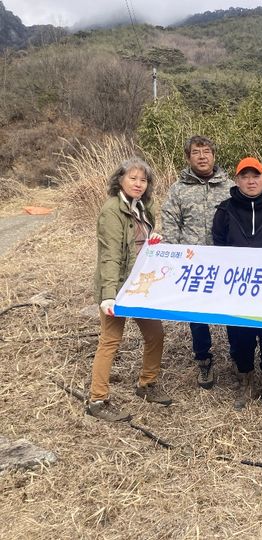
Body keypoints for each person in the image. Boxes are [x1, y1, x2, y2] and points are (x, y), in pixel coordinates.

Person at [86, 157, 170, 422]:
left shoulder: (144, 207)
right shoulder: (112, 210)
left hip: (140, 286)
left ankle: (147, 384)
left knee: (155, 334)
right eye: (133, 178)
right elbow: (110, 255)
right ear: (120, 180)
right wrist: (108, 295)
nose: (138, 184)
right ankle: (98, 399)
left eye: (143, 180)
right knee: (111, 340)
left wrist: (153, 239)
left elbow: (143, 241)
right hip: (117, 287)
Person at [212, 157, 262, 410]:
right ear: (237, 181)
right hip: (238, 290)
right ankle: (245, 381)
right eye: (245, 176)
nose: (251, 181)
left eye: (255, 176)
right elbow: (218, 248)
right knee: (240, 338)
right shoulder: (224, 210)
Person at [161, 135, 232, 390]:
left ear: (214, 155)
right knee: (197, 314)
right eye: (196, 152)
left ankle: (238, 357)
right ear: (188, 157)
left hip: (224, 262)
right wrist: (176, 255)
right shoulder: (179, 189)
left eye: (206, 152)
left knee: (231, 310)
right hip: (193, 264)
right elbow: (170, 223)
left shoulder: (229, 187)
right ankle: (204, 360)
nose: (202, 156)